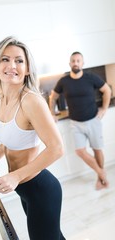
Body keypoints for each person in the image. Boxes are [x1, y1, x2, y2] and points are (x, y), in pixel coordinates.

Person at [0, 36, 66, 240]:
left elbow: (57, 148)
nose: (12, 65)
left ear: (27, 68)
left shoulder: (32, 101)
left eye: (19, 60)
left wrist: (16, 176)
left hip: (41, 189)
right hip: (24, 188)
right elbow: (11, 137)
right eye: (5, 59)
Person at [49, 51, 111, 191]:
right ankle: (101, 172)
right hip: (75, 123)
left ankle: (100, 180)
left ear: (82, 63)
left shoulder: (91, 78)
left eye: (78, 60)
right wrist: (52, 113)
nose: (75, 63)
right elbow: (53, 97)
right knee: (80, 151)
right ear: (70, 63)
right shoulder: (64, 81)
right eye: (73, 60)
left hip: (93, 120)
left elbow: (107, 90)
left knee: (97, 149)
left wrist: (104, 109)